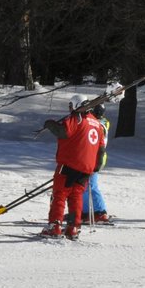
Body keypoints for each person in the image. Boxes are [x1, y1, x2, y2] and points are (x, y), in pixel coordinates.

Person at [40, 98, 107, 240]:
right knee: (76, 196)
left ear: (77, 105)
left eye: (71, 105)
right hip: (86, 168)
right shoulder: (97, 124)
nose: (69, 108)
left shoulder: (76, 118)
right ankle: (73, 227)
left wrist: (50, 124)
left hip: (69, 164)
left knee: (60, 194)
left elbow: (63, 132)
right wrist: (94, 167)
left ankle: (55, 226)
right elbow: (101, 150)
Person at [81, 102, 114, 225]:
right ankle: (85, 211)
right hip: (95, 156)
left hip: (95, 157)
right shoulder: (101, 122)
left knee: (90, 185)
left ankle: (100, 211)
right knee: (84, 185)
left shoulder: (97, 124)